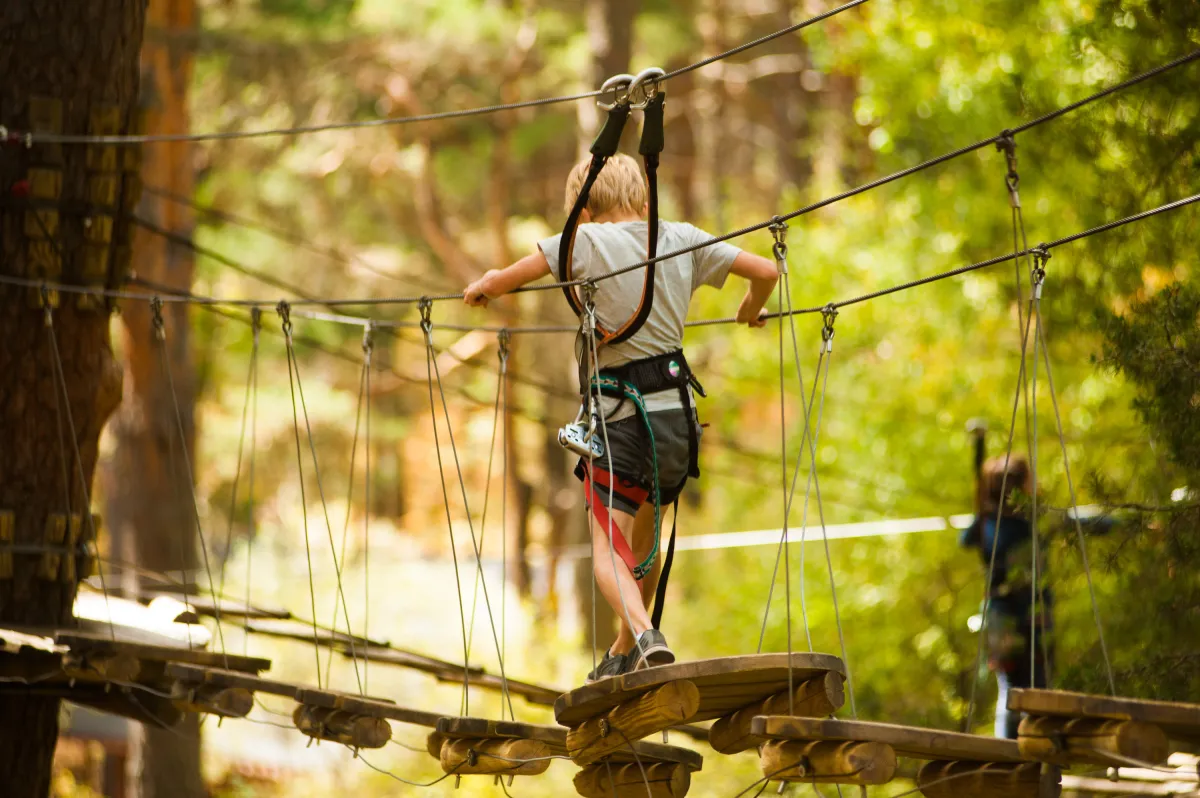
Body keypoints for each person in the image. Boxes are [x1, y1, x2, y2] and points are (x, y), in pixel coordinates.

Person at [464, 153, 779, 680]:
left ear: (583, 211)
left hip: (622, 421)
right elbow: (766, 271)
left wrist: (483, 288)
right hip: (677, 421)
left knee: (609, 546)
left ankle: (645, 634)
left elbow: (507, 279)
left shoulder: (584, 241)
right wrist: (749, 309)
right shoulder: (681, 236)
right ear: (644, 200)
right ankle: (624, 648)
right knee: (645, 540)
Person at [960, 453, 1054, 738]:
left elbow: (966, 540)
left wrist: (982, 511)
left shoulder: (988, 523)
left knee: (1014, 687)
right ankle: (1030, 746)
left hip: (1008, 616)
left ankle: (1018, 748)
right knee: (1033, 686)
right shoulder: (1029, 521)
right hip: (1025, 616)